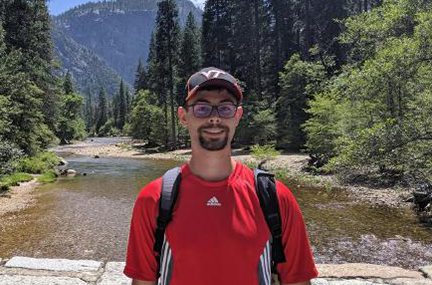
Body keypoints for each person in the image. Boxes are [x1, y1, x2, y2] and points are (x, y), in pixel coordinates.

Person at [124, 67, 318, 285]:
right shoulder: (154, 200)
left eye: (225, 108)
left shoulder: (276, 198)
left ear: (237, 116)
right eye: (202, 108)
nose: (214, 118)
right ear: (183, 116)